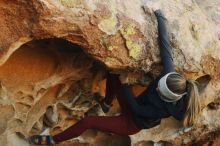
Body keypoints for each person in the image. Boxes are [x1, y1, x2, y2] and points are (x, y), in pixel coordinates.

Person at [29, 8, 203, 145]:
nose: (157, 87)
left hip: (132, 122)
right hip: (134, 105)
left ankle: (52, 141)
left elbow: (137, 109)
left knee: (88, 122)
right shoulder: (170, 76)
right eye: (160, 84)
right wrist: (160, 16)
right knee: (112, 74)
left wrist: (126, 86)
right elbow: (165, 47)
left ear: (169, 97)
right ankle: (106, 103)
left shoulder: (166, 109)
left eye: (160, 91)